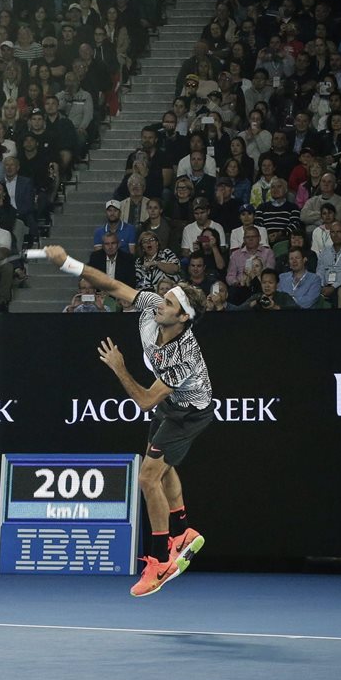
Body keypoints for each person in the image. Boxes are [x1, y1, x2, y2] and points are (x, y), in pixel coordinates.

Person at [42, 244, 210, 598]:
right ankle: (182, 531)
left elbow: (147, 400)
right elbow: (113, 285)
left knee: (148, 477)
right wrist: (68, 263)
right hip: (170, 405)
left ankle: (160, 561)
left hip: (189, 412)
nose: (160, 303)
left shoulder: (184, 357)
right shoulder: (153, 306)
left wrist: (119, 367)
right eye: (164, 298)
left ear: (183, 318)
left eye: (169, 304)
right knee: (162, 467)